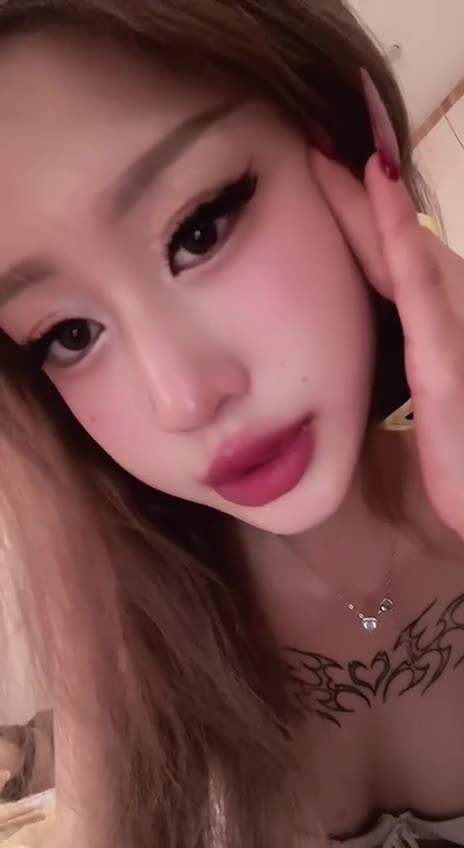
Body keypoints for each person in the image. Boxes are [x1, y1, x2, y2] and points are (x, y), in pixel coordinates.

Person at [0, 1, 464, 846]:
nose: (182, 399)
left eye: (200, 230)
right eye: (68, 334)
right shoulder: (140, 674)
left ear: (346, 146)